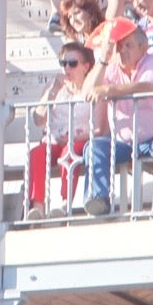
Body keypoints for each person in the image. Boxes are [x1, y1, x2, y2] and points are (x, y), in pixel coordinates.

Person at [82, 18, 153, 214]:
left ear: (144, 48)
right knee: (94, 147)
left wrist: (109, 90)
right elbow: (87, 92)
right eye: (118, 46)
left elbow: (146, 88)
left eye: (128, 45)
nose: (121, 51)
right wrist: (102, 59)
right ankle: (98, 199)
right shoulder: (111, 68)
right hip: (123, 142)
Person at [24, 43, 95, 221]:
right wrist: (53, 91)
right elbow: (39, 119)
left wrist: (75, 137)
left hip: (80, 138)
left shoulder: (92, 89)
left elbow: (102, 127)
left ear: (86, 67)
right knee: (37, 153)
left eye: (72, 63)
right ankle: (38, 206)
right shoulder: (55, 88)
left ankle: (64, 203)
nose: (67, 68)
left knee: (69, 153)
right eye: (63, 63)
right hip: (54, 139)